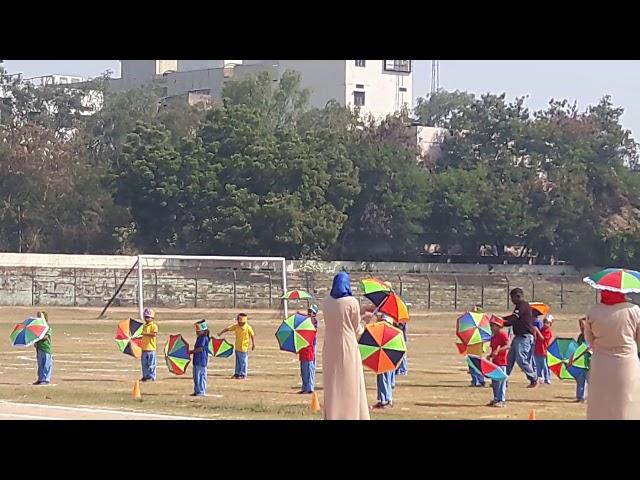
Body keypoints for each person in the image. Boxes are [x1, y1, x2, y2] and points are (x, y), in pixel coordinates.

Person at [584, 290, 640, 419]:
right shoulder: (634, 310)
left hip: (600, 362)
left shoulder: (594, 311)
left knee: (600, 403)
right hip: (626, 362)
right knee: (626, 402)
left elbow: (589, 339)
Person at [321, 271, 370, 420]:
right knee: (350, 382)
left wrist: (359, 313)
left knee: (332, 383)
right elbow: (355, 328)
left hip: (329, 345)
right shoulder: (352, 301)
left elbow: (341, 317)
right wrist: (366, 321)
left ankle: (332, 414)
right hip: (347, 345)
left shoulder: (326, 301)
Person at [503, 288, 538, 388]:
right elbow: (512, 316)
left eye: (512, 297)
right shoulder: (520, 306)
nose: (511, 300)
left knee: (520, 359)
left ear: (518, 296)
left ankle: (533, 377)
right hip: (518, 336)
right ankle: (503, 379)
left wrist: (502, 323)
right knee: (509, 360)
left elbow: (514, 319)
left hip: (524, 337)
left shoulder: (522, 305)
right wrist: (501, 319)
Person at [219, 313, 255, 379]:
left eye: (240, 322)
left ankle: (243, 374)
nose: (239, 323)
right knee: (238, 361)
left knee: (243, 361)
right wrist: (221, 332)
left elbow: (252, 335)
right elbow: (228, 329)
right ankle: (237, 373)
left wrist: (253, 344)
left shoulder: (248, 328)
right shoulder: (236, 326)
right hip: (237, 347)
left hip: (244, 347)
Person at [487, 316, 510, 407]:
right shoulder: (493, 336)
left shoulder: (502, 334)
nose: (491, 327)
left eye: (492, 325)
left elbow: (508, 345)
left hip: (501, 362)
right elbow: (493, 349)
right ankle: (496, 398)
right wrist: (490, 356)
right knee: (494, 382)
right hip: (495, 362)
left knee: (501, 381)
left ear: (498, 326)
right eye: (490, 325)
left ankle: (502, 400)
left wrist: (498, 351)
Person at [297, 304, 319, 394]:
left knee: (310, 367)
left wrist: (302, 315)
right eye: (309, 311)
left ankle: (310, 387)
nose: (309, 313)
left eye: (311, 312)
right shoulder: (304, 321)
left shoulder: (314, 321)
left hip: (310, 346)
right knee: (303, 368)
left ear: (314, 314)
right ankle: (304, 386)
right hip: (303, 346)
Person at [190, 320, 210, 396]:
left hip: (201, 360)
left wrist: (191, 352)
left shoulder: (204, 338)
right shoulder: (199, 338)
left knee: (201, 376)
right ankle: (197, 390)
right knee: (196, 376)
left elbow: (200, 348)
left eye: (198, 330)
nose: (197, 332)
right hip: (196, 360)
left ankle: (201, 391)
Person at [34, 311, 52, 386]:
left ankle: (46, 379)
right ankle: (40, 378)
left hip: (46, 348)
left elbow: (46, 337)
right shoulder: (38, 328)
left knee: (46, 364)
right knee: (40, 364)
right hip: (39, 348)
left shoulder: (47, 328)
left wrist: (39, 337)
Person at [533, 316, 553, 384]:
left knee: (545, 366)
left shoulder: (548, 332)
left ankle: (547, 378)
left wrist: (537, 331)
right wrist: (535, 332)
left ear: (550, 324)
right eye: (544, 322)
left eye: (547, 323)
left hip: (543, 351)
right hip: (537, 350)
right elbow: (536, 338)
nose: (545, 324)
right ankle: (539, 378)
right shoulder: (541, 330)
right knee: (538, 366)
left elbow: (543, 338)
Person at [140, 308, 158, 382]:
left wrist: (145, 333)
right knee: (144, 364)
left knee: (151, 364)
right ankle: (145, 376)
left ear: (152, 318)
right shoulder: (144, 326)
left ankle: (152, 376)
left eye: (148, 317)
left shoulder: (154, 326)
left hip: (151, 348)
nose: (147, 319)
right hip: (144, 348)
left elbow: (154, 334)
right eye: (145, 317)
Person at [576, 316, 591, 403]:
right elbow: (577, 348)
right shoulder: (580, 337)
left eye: (582, 325)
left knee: (591, 381)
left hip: (589, 362)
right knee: (580, 380)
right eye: (580, 325)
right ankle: (580, 397)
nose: (581, 327)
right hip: (581, 362)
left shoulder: (591, 336)